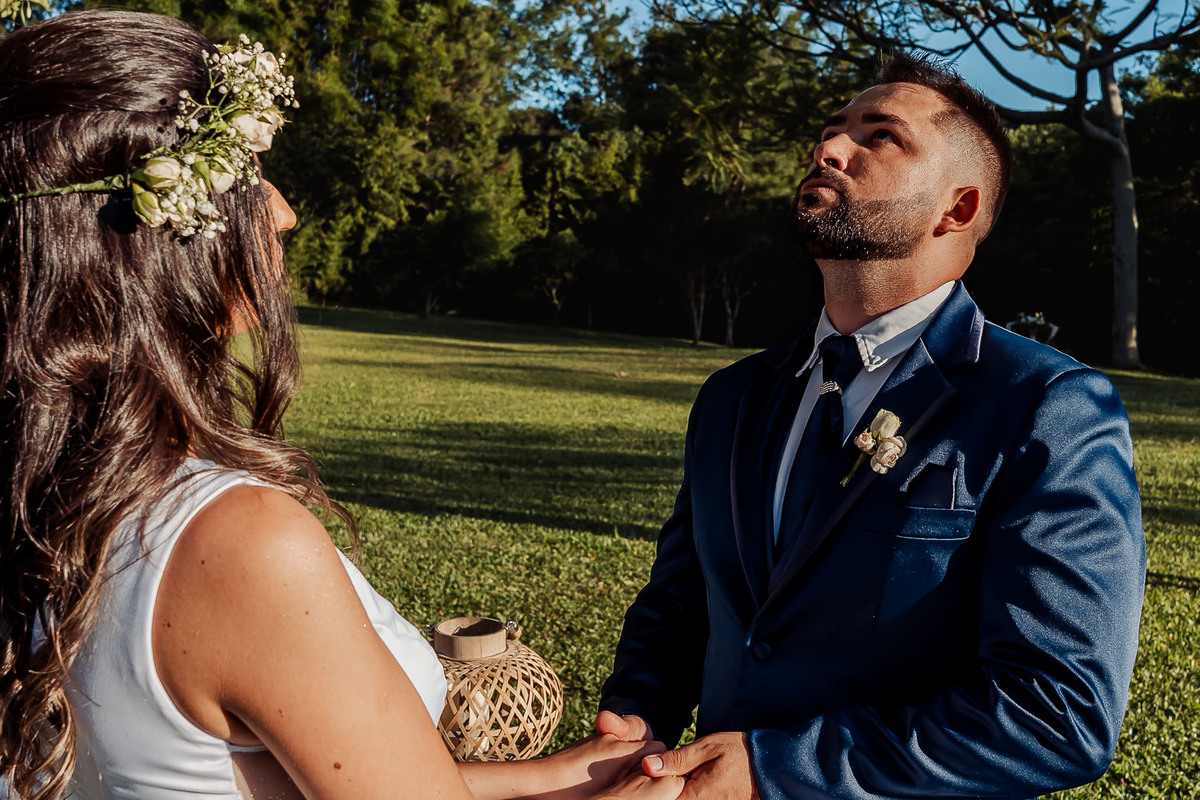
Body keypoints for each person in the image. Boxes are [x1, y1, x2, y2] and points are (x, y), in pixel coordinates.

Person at [0, 11, 684, 800]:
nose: (283, 212)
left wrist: (541, 780)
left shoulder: (42, 490)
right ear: (151, 233)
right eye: (249, 177)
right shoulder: (233, 542)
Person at [595, 53, 1146, 798]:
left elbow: (1058, 714)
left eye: (879, 137)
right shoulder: (731, 396)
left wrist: (774, 770)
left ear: (957, 209)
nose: (828, 149)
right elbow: (681, 603)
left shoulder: (1047, 407)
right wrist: (637, 720)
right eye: (830, 132)